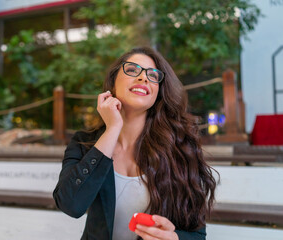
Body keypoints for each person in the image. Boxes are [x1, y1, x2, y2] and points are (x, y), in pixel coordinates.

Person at [53, 47, 217, 240]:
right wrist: (112, 129)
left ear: (158, 91)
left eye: (153, 75)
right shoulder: (85, 143)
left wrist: (175, 238)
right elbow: (70, 205)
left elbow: (198, 235)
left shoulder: (180, 148)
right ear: (113, 83)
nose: (143, 78)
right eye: (132, 70)